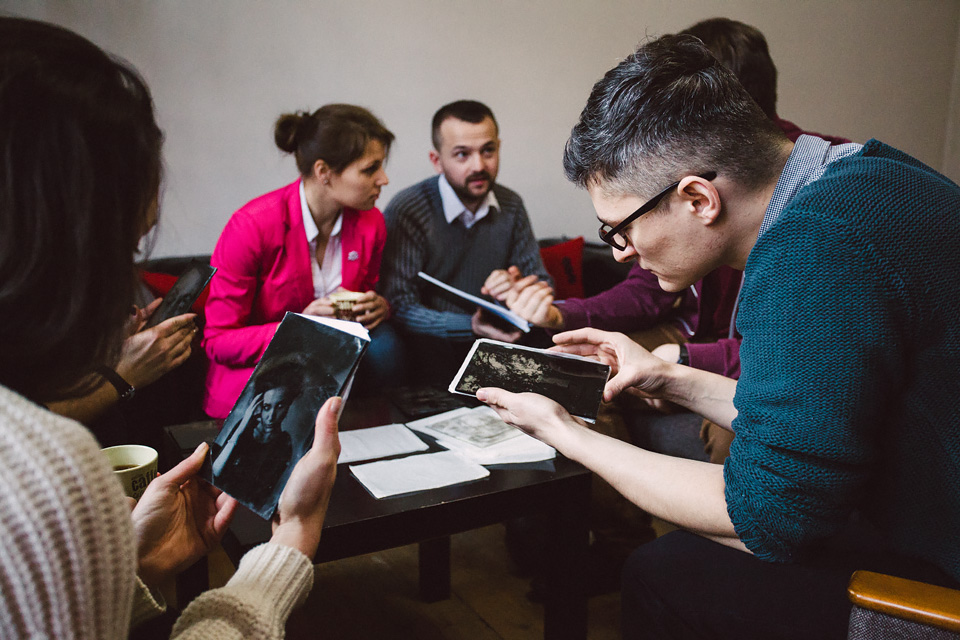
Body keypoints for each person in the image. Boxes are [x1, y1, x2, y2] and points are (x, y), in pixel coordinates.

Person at [477, 33, 960, 639]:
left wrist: (565, 432)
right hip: (916, 500)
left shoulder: (810, 254)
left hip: (937, 567)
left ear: (698, 198)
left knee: (660, 573)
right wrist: (670, 378)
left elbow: (770, 516)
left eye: (619, 230)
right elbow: (809, 423)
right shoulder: (871, 173)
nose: (623, 254)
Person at [0, 17, 341, 637]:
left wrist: (122, 569)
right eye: (127, 247)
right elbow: (220, 337)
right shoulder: (40, 475)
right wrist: (289, 542)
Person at [202, 104, 398, 419]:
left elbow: (363, 294)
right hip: (264, 380)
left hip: (332, 369)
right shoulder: (251, 226)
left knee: (388, 347)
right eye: (370, 169)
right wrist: (298, 329)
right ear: (324, 173)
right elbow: (218, 341)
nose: (384, 179)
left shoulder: (370, 222)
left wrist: (379, 306)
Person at [379, 99, 552, 381]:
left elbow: (543, 284)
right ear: (437, 161)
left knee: (548, 345)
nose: (479, 165)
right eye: (462, 155)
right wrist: (469, 326)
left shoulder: (511, 205)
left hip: (497, 337)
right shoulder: (409, 209)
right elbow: (398, 304)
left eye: (488, 151)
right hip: (433, 343)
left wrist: (517, 289)